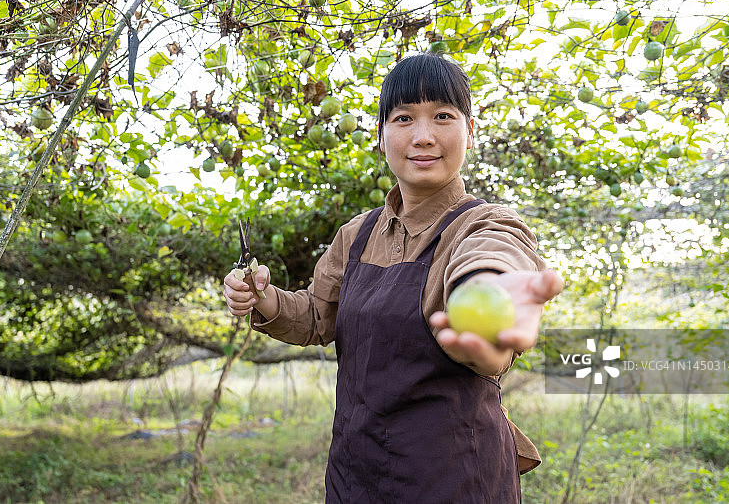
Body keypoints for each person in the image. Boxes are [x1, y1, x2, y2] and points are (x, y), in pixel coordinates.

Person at [223, 53, 563, 503]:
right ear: (381, 138)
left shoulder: (484, 224)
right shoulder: (357, 235)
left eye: (443, 116)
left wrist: (487, 294)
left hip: (457, 479)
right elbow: (316, 317)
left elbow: (492, 257)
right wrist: (263, 297)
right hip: (356, 474)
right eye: (404, 118)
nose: (423, 136)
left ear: (470, 130)